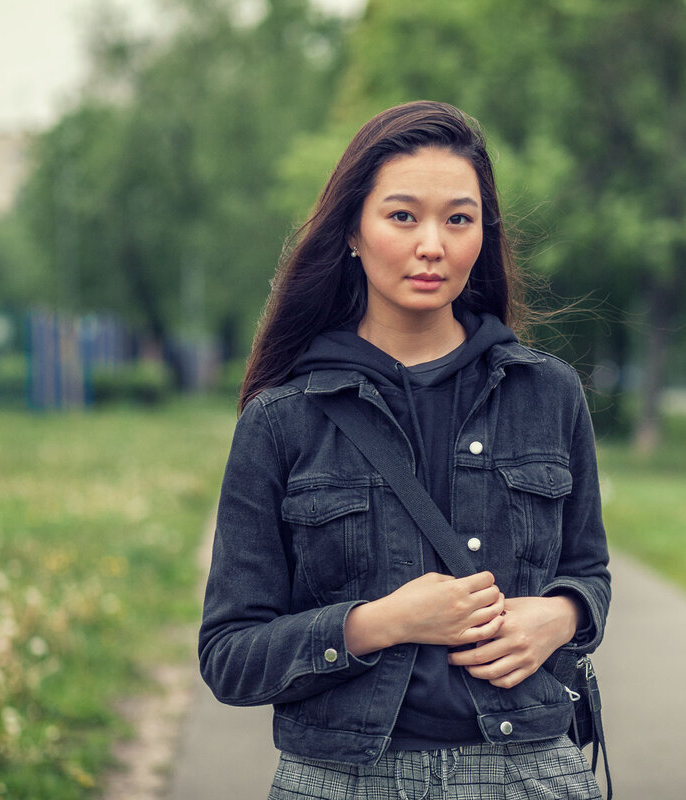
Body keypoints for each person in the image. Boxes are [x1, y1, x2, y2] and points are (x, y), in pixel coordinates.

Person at [199, 100, 610, 800]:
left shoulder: (549, 394)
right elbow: (230, 656)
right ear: (352, 233)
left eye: (458, 219)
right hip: (342, 780)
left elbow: (588, 571)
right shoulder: (282, 420)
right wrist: (381, 623)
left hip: (529, 776)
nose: (433, 245)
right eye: (402, 216)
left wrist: (563, 614)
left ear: (484, 234)